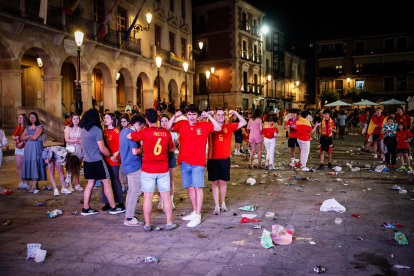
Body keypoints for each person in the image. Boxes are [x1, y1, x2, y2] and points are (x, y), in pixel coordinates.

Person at [166, 104, 221, 228]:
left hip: (198, 162)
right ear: (187, 115)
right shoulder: (182, 124)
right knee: (190, 188)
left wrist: (209, 117)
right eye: (189, 114)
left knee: (197, 188)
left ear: (198, 115)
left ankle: (197, 215)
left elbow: (218, 128)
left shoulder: (204, 125)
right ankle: (195, 211)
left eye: (194, 114)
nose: (191, 117)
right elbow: (168, 128)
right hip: (185, 162)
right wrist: (175, 116)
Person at [128, 109, 177, 231]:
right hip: (163, 168)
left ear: (146, 120)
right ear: (158, 118)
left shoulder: (144, 132)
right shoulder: (166, 133)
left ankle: (148, 224)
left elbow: (130, 136)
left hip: (148, 169)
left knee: (148, 197)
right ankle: (169, 223)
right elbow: (171, 149)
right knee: (165, 197)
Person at [79, 109, 124, 216]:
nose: (101, 118)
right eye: (99, 116)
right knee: (107, 182)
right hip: (97, 161)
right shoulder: (97, 130)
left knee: (90, 184)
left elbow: (82, 146)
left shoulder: (84, 130)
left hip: (87, 160)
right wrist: (110, 156)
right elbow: (102, 148)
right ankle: (113, 207)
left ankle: (86, 208)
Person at [207, 109, 246, 215]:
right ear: (215, 116)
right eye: (218, 115)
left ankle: (222, 203)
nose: (220, 116)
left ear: (224, 116)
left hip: (224, 159)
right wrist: (206, 115)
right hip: (213, 158)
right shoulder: (209, 126)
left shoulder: (229, 127)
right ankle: (216, 205)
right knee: (215, 182)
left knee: (223, 182)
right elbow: (196, 122)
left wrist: (236, 113)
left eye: (222, 115)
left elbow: (244, 122)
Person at [120, 115, 145, 227]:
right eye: (142, 127)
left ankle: (128, 215)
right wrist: (144, 148)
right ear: (138, 124)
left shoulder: (123, 131)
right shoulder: (132, 134)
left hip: (126, 165)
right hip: (134, 165)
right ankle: (129, 218)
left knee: (131, 191)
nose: (141, 130)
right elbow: (135, 151)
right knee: (135, 192)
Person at [102, 113, 125, 212]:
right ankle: (108, 202)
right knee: (106, 182)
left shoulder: (117, 131)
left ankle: (120, 202)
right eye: (104, 118)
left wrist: (116, 155)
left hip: (114, 160)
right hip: (106, 159)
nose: (105, 119)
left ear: (112, 120)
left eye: (107, 118)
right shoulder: (105, 131)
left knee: (115, 180)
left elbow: (121, 145)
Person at [19, 112, 47, 193]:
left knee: (35, 163)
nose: (31, 118)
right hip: (28, 148)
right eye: (30, 117)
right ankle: (35, 185)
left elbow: (35, 137)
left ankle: (34, 186)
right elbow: (21, 137)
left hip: (36, 147)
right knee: (30, 163)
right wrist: (29, 136)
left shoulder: (40, 127)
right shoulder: (27, 127)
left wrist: (27, 137)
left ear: (36, 118)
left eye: (33, 117)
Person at [160, 114, 179, 210]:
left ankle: (171, 201)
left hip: (170, 156)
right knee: (160, 181)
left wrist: (176, 145)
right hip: (160, 157)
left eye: (165, 121)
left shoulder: (173, 132)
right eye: (162, 121)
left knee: (171, 180)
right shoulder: (158, 132)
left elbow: (175, 148)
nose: (164, 122)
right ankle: (161, 201)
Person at [64, 114, 84, 191]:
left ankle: (77, 184)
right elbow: (67, 139)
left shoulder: (81, 128)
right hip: (71, 149)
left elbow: (82, 140)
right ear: (71, 119)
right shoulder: (68, 128)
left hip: (79, 149)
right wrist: (77, 141)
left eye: (77, 118)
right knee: (70, 167)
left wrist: (79, 142)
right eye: (74, 118)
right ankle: (68, 184)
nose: (75, 120)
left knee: (77, 167)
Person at [13, 114, 30, 189]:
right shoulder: (17, 127)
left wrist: (22, 142)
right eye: (19, 118)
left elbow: (28, 137)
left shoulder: (27, 128)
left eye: (21, 118)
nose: (19, 119)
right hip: (17, 147)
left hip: (24, 147)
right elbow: (13, 135)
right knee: (18, 165)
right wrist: (15, 138)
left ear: (24, 119)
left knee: (24, 165)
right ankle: (21, 181)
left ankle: (27, 182)